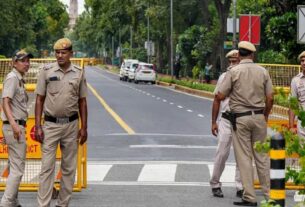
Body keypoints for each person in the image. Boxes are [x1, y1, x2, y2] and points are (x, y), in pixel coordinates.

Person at [216, 41, 273, 206]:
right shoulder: (263, 71)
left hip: (240, 118)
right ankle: (270, 195)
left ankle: (250, 197)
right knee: (262, 157)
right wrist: (265, 115)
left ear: (239, 55)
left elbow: (220, 95)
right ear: (253, 55)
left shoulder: (234, 71)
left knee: (244, 158)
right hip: (259, 117)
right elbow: (270, 98)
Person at [35, 37, 88, 207]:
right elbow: (39, 100)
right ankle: (43, 204)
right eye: (57, 52)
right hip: (50, 126)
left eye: (63, 53)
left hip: (71, 126)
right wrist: (38, 126)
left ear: (71, 54)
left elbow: (82, 101)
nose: (59, 56)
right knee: (46, 168)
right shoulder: (47, 71)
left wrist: (84, 127)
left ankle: (63, 204)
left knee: (68, 169)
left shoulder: (79, 72)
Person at [1, 49, 33, 207]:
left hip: (15, 126)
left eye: (28, 61)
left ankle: (13, 202)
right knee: (18, 169)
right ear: (14, 62)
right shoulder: (13, 78)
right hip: (14, 127)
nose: (27, 63)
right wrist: (14, 125)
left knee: (15, 166)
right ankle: (7, 203)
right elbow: (5, 101)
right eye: (23, 61)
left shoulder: (19, 79)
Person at [210, 49, 243, 198]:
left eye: (235, 61)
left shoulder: (245, 76)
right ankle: (215, 183)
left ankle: (240, 186)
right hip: (226, 119)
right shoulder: (224, 77)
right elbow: (217, 99)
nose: (232, 64)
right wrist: (214, 122)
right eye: (230, 61)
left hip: (242, 120)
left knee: (241, 156)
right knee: (222, 153)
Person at [289, 51, 305, 135]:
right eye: (302, 61)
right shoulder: (295, 80)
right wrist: (291, 126)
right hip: (302, 123)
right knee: (302, 148)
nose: (304, 63)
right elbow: (293, 104)